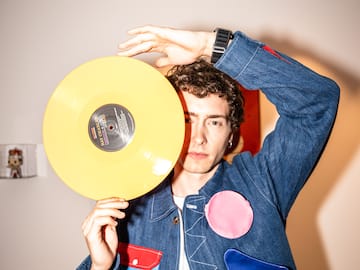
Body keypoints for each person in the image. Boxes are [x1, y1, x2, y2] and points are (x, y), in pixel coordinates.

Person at [77, 25, 339, 270]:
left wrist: (210, 45)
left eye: (214, 122)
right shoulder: (130, 205)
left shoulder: (262, 181)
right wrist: (101, 267)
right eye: (187, 120)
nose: (198, 137)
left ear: (230, 134)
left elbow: (316, 102)